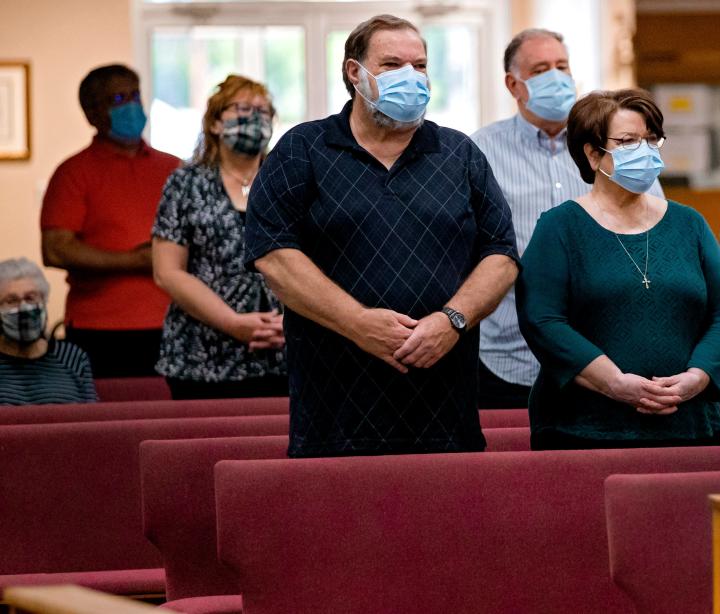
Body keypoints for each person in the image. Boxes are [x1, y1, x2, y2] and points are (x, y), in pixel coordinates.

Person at [245, 15, 519, 457]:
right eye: (392, 65)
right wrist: (355, 322)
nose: (410, 77)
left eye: (420, 65)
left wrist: (452, 320)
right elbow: (274, 254)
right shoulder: (303, 149)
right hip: (334, 407)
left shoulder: (459, 153)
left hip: (444, 406)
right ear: (356, 73)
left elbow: (502, 253)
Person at [516, 89, 720, 450]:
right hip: (585, 428)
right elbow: (542, 321)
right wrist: (614, 382)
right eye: (628, 141)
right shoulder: (559, 227)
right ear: (592, 154)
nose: (646, 151)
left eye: (652, 140)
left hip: (687, 422)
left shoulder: (689, 224)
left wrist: (697, 378)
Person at [472, 28, 665, 409]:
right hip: (510, 358)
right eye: (541, 69)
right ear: (514, 83)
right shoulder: (481, 151)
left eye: (562, 66)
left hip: (611, 356)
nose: (557, 77)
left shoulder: (618, 151)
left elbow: (653, 232)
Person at [151, 75, 287, 400]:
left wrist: (293, 323)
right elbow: (167, 271)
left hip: (285, 353)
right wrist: (233, 323)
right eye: (242, 108)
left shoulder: (287, 180)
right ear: (214, 123)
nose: (255, 118)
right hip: (202, 355)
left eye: (263, 111)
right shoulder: (185, 183)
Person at [40, 64, 180, 378]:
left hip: (175, 323)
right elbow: (56, 250)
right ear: (91, 113)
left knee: (174, 424)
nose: (131, 105)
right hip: (99, 330)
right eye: (118, 98)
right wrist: (136, 260)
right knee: (107, 424)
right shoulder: (73, 173)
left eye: (135, 95)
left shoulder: (175, 168)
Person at [0, 258, 97, 405]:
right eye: (11, 301)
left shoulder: (71, 357)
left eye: (31, 298)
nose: (24, 308)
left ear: (44, 303)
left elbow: (91, 416)